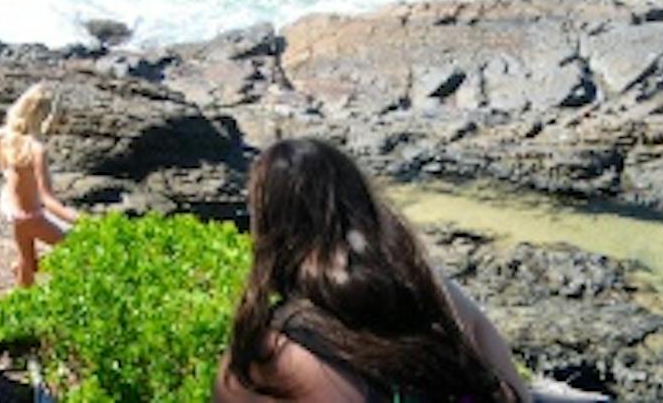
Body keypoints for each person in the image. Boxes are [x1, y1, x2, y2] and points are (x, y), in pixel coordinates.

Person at [215, 137, 531, 403]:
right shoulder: (427, 289)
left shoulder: (268, 353)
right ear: (361, 203)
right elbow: (515, 390)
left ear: (268, 225)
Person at [0, 83, 79, 285]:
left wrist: (4, 167)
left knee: (28, 264)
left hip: (14, 212)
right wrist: (77, 219)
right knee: (78, 250)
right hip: (32, 216)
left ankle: (21, 298)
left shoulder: (8, 137)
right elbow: (48, 199)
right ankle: (24, 273)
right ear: (43, 118)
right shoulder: (37, 150)